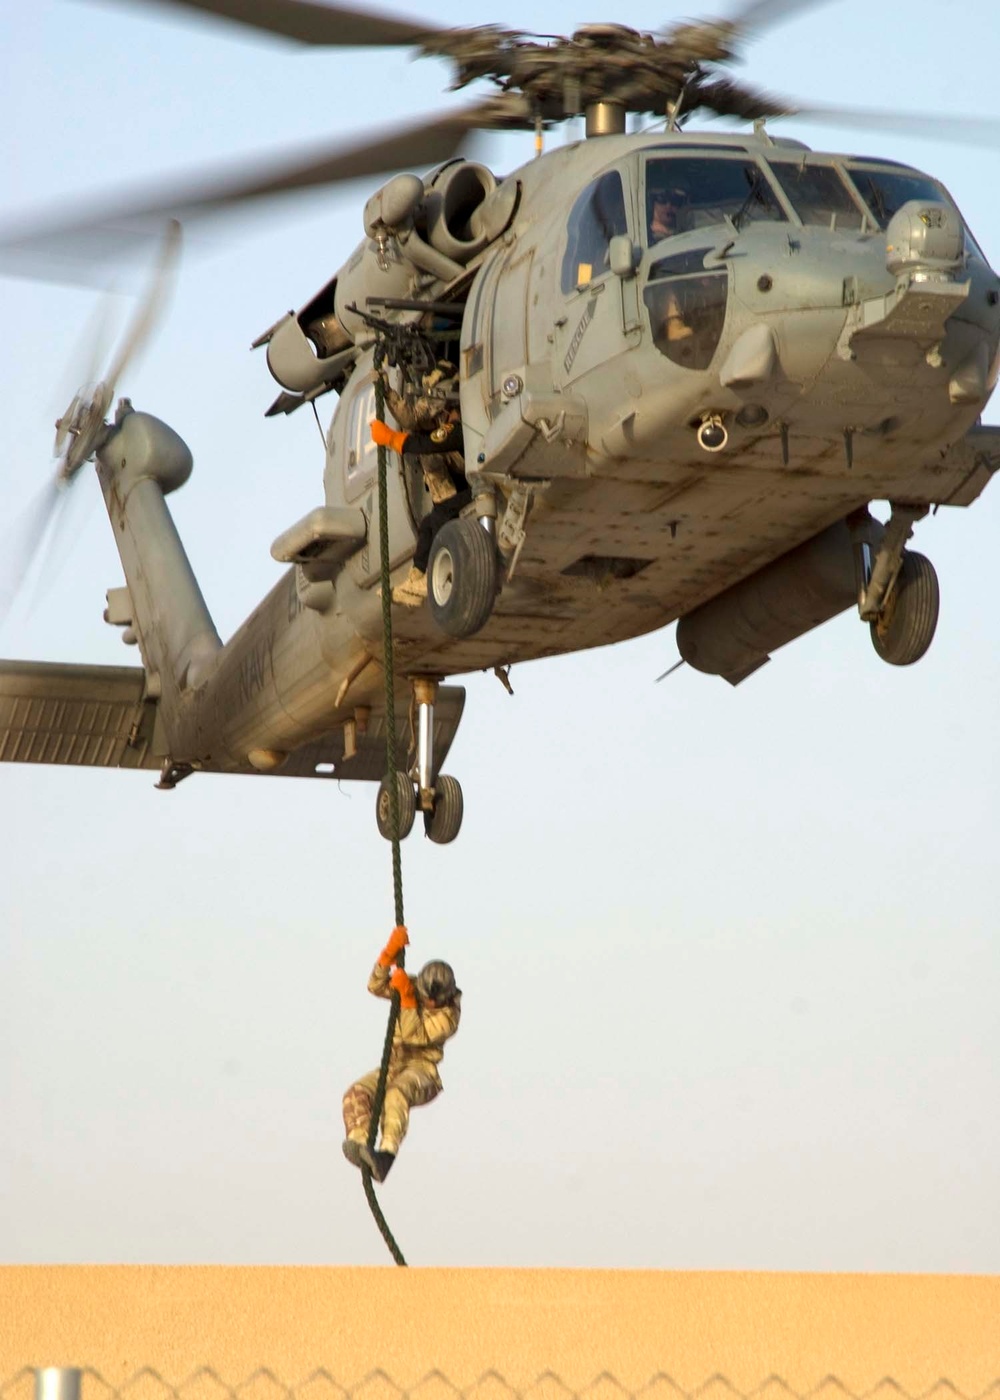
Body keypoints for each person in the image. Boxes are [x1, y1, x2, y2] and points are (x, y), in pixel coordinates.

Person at [342, 924, 461, 1182]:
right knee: (356, 1094)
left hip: (422, 1074)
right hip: (394, 1065)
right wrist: (387, 957)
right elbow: (375, 986)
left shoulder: (449, 1017)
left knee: (396, 1094)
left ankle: (386, 1155)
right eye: (425, 998)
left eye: (433, 1002)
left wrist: (407, 999)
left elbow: (413, 1035)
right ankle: (360, 1143)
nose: (429, 1003)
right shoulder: (417, 987)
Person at [370, 369, 471, 607]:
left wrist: (392, 439)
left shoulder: (459, 427)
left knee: (441, 514)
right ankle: (414, 579)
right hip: (473, 486)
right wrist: (387, 393)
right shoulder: (450, 423)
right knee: (427, 524)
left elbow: (427, 445)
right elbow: (412, 419)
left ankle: (428, 578)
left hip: (482, 485)